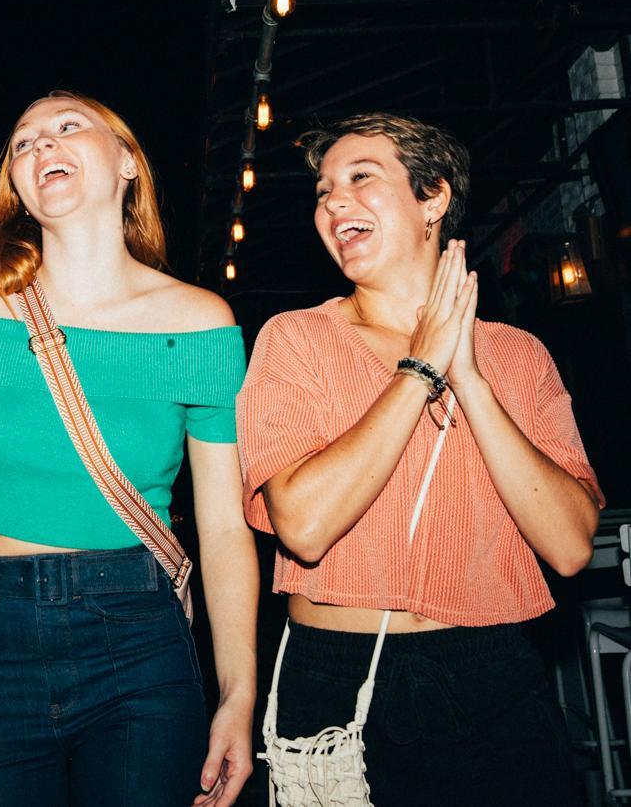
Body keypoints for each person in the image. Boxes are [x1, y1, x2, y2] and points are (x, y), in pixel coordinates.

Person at [0, 92, 257, 806]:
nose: (41, 145)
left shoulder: (201, 322)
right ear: (15, 187)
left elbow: (227, 528)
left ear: (126, 162)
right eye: (22, 142)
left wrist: (237, 695)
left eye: (67, 127)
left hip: (138, 629)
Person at [238, 113, 602, 805]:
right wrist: (417, 370)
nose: (332, 201)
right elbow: (304, 525)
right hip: (337, 678)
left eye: (359, 179)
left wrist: (469, 378)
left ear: (431, 198)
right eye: (322, 190)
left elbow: (567, 546)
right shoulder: (295, 340)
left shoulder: (519, 356)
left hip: (493, 671)